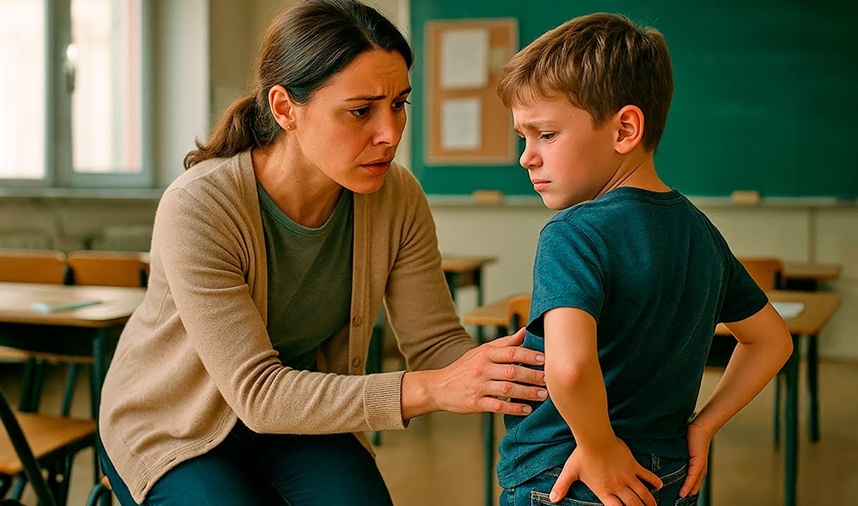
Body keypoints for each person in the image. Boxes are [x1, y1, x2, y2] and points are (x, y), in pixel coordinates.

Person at [97, 1, 548, 504]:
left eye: (399, 103)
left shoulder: (397, 195)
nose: (390, 133)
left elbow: (437, 342)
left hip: (297, 414)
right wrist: (432, 389)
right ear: (286, 109)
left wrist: (530, 369)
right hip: (173, 425)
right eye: (361, 111)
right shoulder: (199, 206)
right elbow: (257, 394)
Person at [493, 12, 794, 506]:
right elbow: (771, 341)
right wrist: (704, 426)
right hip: (667, 474)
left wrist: (599, 447)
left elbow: (568, 369)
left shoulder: (572, 234)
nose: (526, 156)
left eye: (545, 134)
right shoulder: (699, 231)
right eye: (523, 138)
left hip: (569, 476)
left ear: (625, 129)